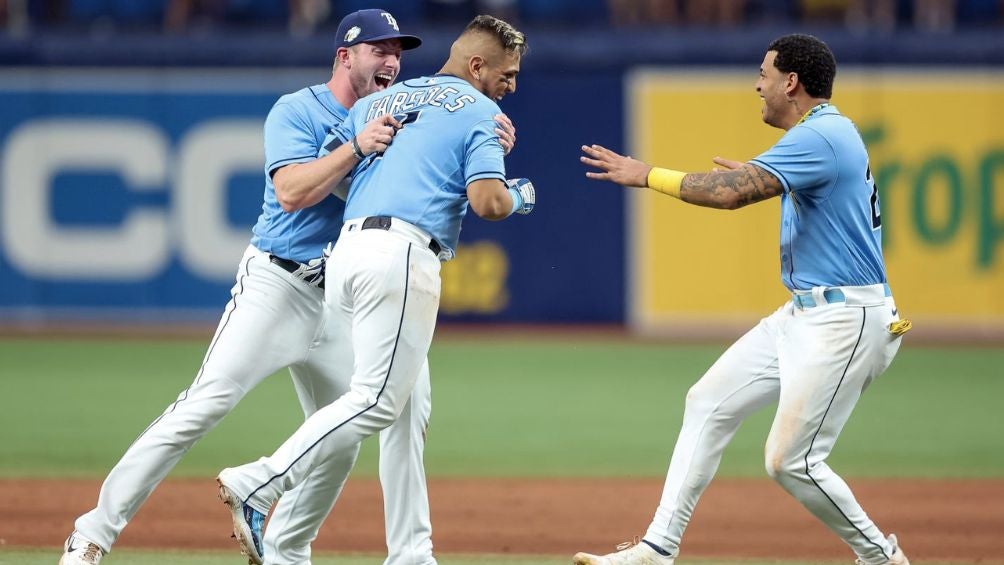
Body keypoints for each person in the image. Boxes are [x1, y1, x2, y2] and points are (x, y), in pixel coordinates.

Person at [59, 9, 516, 565]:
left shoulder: (405, 113)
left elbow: (444, 177)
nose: (392, 60)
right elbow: (293, 192)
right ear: (346, 56)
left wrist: (491, 143)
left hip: (344, 293)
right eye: (380, 49)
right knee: (203, 405)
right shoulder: (298, 109)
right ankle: (93, 531)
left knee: (355, 426)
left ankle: (286, 548)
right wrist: (356, 147)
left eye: (398, 51)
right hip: (278, 282)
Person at [576, 33, 912, 565]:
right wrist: (769, 180)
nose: (758, 85)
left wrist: (647, 175)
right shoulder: (822, 135)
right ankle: (657, 548)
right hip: (804, 313)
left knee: (790, 461)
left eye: (765, 74)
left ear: (791, 82)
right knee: (707, 402)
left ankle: (881, 557)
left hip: (845, 319)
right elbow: (759, 185)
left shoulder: (821, 135)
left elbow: (731, 194)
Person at [213, 14, 533, 564]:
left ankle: (411, 552)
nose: (512, 86)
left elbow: (333, 171)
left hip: (346, 254)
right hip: (401, 255)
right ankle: (261, 481)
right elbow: (488, 202)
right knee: (377, 400)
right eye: (507, 74)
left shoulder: (383, 101)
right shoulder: (483, 112)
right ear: (477, 66)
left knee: (410, 404)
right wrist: (518, 192)